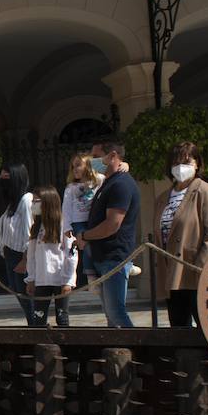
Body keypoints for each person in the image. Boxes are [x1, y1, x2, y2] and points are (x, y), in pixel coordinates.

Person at [155, 141, 208, 327]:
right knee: (178, 327)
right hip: (172, 271)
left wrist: (201, 267)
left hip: (195, 271)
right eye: (176, 163)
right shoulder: (163, 197)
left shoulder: (206, 192)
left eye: (187, 162)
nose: (181, 167)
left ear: (197, 164)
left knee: (207, 326)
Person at [75, 140, 140, 328]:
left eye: (96, 156)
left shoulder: (121, 184)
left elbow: (112, 225)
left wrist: (85, 236)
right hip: (103, 257)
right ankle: (119, 351)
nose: (92, 161)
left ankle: (136, 346)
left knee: (116, 312)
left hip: (115, 257)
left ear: (112, 156)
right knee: (110, 316)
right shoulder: (108, 181)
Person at [25, 186, 77, 327]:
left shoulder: (63, 225)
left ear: (47, 203)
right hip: (41, 280)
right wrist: (31, 279)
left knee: (62, 317)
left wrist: (68, 280)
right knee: (39, 317)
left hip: (60, 279)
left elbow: (71, 254)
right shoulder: (37, 226)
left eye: (36, 201)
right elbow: (31, 256)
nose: (33, 205)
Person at [60, 152, 103, 312]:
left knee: (97, 244)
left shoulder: (98, 181)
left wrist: (124, 165)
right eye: (73, 166)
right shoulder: (71, 188)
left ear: (88, 165)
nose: (75, 168)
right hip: (79, 222)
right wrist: (67, 227)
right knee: (86, 246)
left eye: (78, 164)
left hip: (94, 220)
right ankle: (91, 277)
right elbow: (66, 208)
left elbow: (109, 171)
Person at [0, 162, 35, 323]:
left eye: (6, 177)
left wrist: (25, 259)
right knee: (19, 294)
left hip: (21, 255)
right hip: (10, 254)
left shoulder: (26, 200)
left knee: (26, 295)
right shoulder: (12, 204)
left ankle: (35, 326)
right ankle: (32, 324)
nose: (2, 181)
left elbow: (29, 231)